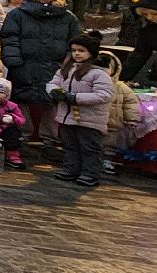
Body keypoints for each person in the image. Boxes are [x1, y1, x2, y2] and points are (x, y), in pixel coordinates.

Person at [0, 0, 81, 146]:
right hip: (24, 66)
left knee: (52, 104)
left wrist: (67, 65)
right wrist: (15, 63)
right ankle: (22, 136)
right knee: (21, 103)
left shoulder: (68, 18)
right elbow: (10, 39)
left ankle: (50, 139)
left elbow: (75, 43)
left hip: (56, 68)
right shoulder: (17, 15)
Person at [47, 33, 112, 187]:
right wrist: (54, 91)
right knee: (70, 145)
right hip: (67, 116)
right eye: (74, 50)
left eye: (81, 50)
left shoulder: (99, 73)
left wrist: (75, 98)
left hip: (89, 119)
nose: (76, 53)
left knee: (89, 147)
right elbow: (53, 83)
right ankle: (71, 169)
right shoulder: (67, 69)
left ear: (91, 53)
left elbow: (103, 95)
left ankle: (90, 173)